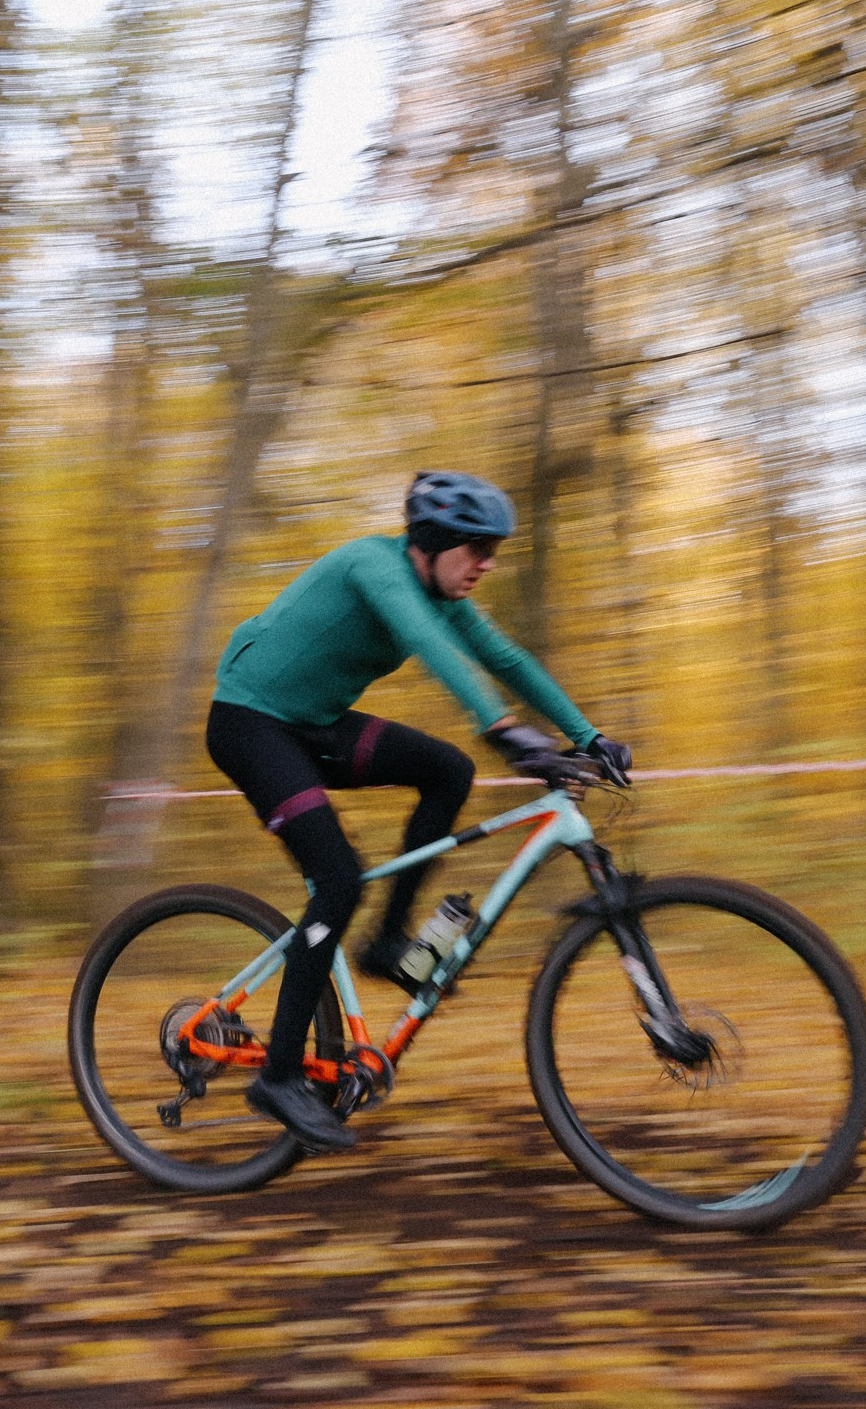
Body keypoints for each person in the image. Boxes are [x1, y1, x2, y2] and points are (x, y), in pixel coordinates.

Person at [206, 472, 632, 1151]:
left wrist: (586, 736)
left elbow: (508, 659)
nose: (488, 564)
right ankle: (280, 1075)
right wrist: (501, 729)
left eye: (494, 550)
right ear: (432, 544)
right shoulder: (375, 568)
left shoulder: (445, 592)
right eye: (477, 549)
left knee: (447, 770)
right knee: (337, 878)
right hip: (250, 724)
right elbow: (430, 647)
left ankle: (388, 941)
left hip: (313, 724)